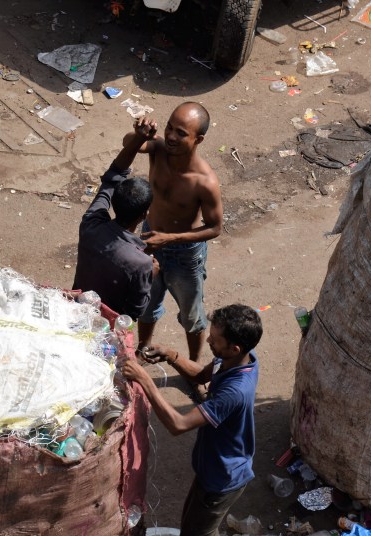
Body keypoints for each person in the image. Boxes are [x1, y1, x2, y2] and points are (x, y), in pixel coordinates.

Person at [120, 304, 262, 536]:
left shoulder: (235, 391)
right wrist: (171, 355)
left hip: (222, 478)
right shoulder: (237, 360)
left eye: (215, 340)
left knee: (196, 532)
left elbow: (179, 424)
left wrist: (145, 381)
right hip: (212, 469)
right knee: (195, 527)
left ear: (235, 348)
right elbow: (201, 375)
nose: (209, 341)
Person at [123, 102, 223, 373]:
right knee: (146, 305)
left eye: (181, 133)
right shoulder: (158, 149)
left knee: (192, 317)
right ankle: (142, 351)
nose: (171, 136)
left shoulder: (204, 181)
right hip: (150, 243)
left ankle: (192, 368)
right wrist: (139, 134)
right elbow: (128, 144)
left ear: (198, 140)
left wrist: (169, 239)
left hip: (185, 255)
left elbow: (214, 228)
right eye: (169, 127)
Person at [72, 118, 160, 319]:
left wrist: (139, 139)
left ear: (114, 202)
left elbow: (113, 175)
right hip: (104, 326)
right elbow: (135, 311)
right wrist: (151, 275)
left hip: (77, 310)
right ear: (144, 215)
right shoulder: (141, 263)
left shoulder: (91, 224)